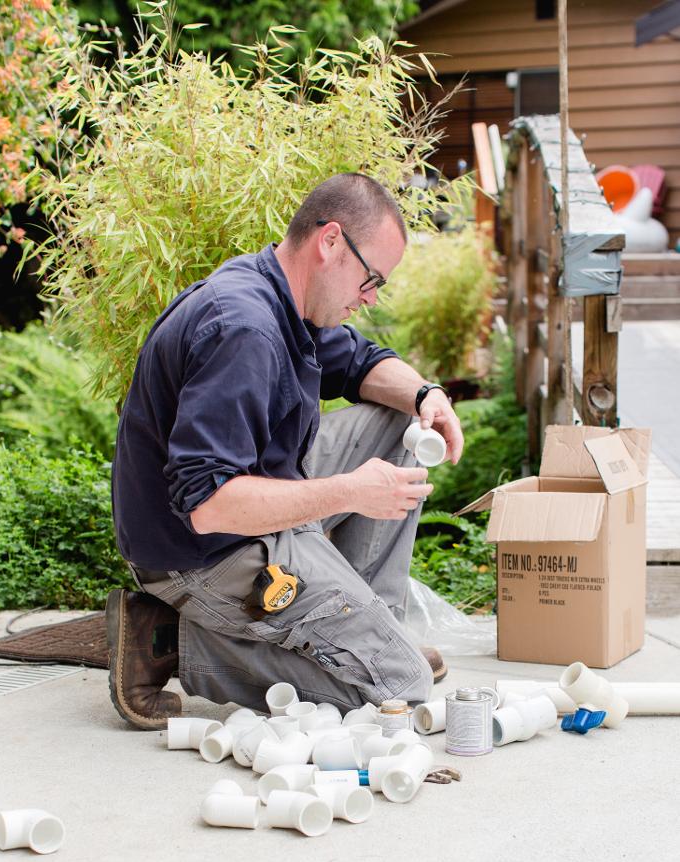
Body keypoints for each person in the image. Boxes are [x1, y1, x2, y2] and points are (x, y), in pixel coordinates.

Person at [107, 173, 464, 730]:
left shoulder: (286, 295)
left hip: (261, 498)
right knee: (403, 689)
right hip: (201, 553)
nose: (370, 297)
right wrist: (349, 492)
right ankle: (175, 641)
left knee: (402, 422)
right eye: (371, 279)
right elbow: (209, 506)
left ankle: (371, 632)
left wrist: (427, 396)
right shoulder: (243, 330)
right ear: (330, 241)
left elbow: (360, 363)